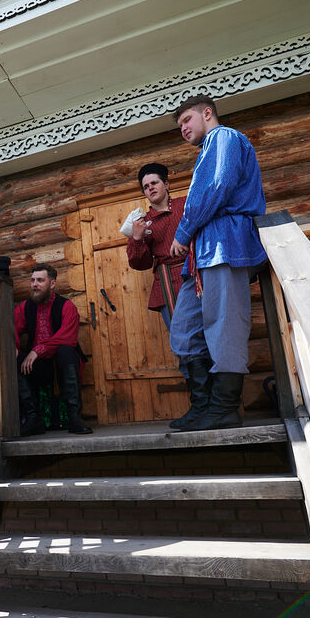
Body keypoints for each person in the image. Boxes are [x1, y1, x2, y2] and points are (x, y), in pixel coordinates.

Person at [168, 94, 268, 431]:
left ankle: (224, 408)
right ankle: (203, 406)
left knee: (225, 325)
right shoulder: (206, 150)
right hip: (203, 253)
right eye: (180, 124)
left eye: (187, 120)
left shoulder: (224, 138)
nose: (183, 128)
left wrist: (183, 231)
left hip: (225, 243)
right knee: (184, 329)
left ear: (207, 113)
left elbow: (217, 185)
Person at [125, 162, 192, 428]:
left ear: (166, 184)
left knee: (212, 336)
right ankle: (199, 405)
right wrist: (138, 238)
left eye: (154, 183)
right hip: (167, 284)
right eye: (145, 186)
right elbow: (138, 263)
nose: (150, 188)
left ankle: (219, 404)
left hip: (197, 274)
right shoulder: (142, 223)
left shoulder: (187, 205)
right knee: (183, 344)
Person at [14, 264, 92, 435]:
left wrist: (38, 350)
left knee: (66, 351)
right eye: (32, 280)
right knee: (14, 358)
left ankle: (74, 418)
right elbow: (11, 328)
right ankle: (33, 418)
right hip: (39, 368)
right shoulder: (25, 307)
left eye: (40, 280)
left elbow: (68, 337)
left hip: (62, 364)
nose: (34, 284)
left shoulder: (67, 306)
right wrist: (14, 346)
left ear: (52, 284)